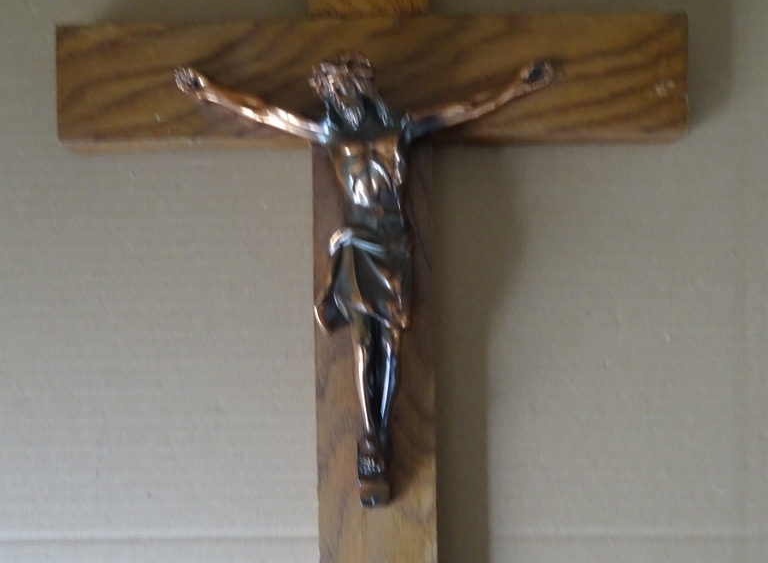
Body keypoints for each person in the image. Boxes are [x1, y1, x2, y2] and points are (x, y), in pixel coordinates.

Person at [175, 53, 554, 505]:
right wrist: (211, 93)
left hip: (393, 245)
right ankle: (372, 434)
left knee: (391, 343)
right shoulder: (329, 132)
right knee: (363, 342)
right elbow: (266, 112)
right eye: (332, 93)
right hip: (357, 243)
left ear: (362, 86)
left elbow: (464, 108)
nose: (339, 98)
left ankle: (383, 428)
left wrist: (515, 87)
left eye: (344, 88)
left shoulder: (401, 126)